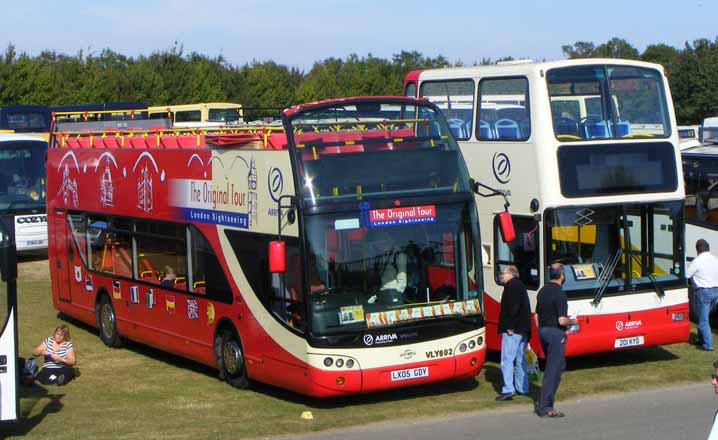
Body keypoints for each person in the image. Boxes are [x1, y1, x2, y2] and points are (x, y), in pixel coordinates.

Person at [535, 263, 576, 418]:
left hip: (543, 332)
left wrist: (540, 331)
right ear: (562, 275)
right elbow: (562, 320)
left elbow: (536, 316)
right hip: (555, 334)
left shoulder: (542, 291)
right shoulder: (560, 293)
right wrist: (574, 322)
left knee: (556, 367)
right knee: (553, 370)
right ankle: (545, 407)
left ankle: (546, 403)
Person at [496, 265, 532, 401]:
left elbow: (513, 307)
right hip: (523, 329)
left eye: (503, 273)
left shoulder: (512, 286)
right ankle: (522, 387)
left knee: (507, 359)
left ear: (511, 274)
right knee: (520, 360)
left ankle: (508, 389)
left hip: (513, 329)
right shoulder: (520, 285)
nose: (501, 276)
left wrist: (510, 326)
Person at [686, 239, 718, 351]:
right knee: (703, 317)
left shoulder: (697, 261)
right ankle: (701, 339)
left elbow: (687, 274)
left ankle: (708, 345)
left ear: (697, 250)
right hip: (716, 291)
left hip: (703, 292)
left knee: (703, 320)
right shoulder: (715, 259)